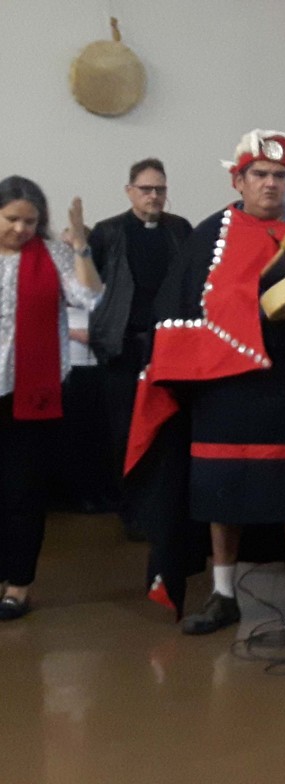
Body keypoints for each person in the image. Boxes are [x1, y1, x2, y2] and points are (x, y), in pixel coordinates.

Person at [124, 129, 285, 636]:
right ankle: (223, 595)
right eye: (259, 174)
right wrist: (246, 313)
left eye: (279, 175)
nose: (270, 183)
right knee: (222, 492)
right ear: (238, 180)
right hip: (226, 386)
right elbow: (179, 310)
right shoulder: (209, 236)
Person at [0, 176, 103, 620]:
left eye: (30, 221)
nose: (21, 229)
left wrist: (80, 247)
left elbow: (90, 298)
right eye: (12, 219)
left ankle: (18, 585)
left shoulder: (52, 254)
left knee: (22, 492)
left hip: (30, 389)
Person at [87, 159, 192, 540]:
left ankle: (165, 509)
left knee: (168, 429)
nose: (154, 196)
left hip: (169, 348)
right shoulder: (108, 232)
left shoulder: (180, 230)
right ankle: (131, 510)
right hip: (124, 347)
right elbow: (90, 288)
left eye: (160, 189)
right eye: (146, 189)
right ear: (129, 191)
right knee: (125, 431)